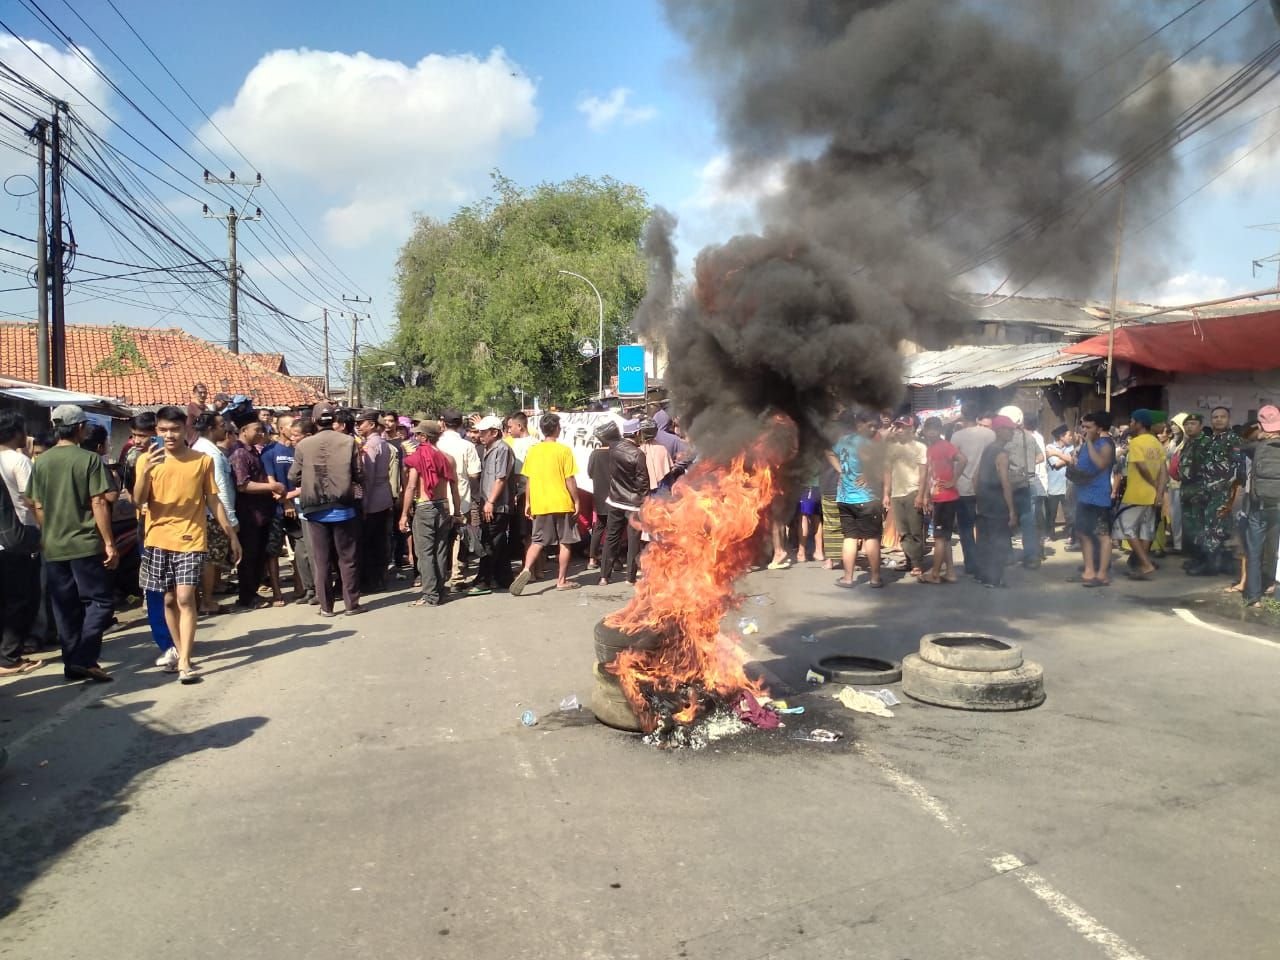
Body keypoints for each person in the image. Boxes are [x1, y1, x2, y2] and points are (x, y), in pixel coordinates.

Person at [134, 406, 240, 683]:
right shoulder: (146, 460)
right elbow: (137, 500)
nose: (169, 435)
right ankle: (181, 651)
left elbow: (213, 500)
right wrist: (145, 472)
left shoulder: (202, 461)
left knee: (184, 597)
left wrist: (231, 533)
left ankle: (184, 661)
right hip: (157, 538)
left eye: (175, 429)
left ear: (186, 430)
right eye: (163, 430)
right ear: (157, 430)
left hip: (192, 537)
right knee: (168, 599)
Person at [27, 405, 119, 682]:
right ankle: (84, 658)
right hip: (85, 542)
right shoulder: (89, 459)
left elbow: (36, 504)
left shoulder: (41, 461)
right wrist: (109, 543)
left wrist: (48, 533)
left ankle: (72, 664)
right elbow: (99, 501)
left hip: (54, 545)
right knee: (101, 601)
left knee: (65, 606)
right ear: (80, 428)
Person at [290, 403, 364, 616]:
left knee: (321, 560)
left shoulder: (304, 445)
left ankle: (326, 607)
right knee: (347, 559)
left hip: (315, 510)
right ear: (334, 420)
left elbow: (292, 476)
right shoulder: (348, 441)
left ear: (313, 421)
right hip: (344, 507)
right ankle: (352, 605)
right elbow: (359, 473)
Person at [511, 413, 581, 595]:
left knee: (537, 541)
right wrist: (577, 500)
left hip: (540, 503)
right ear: (557, 429)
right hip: (562, 502)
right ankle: (561, 580)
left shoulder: (534, 450)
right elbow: (570, 479)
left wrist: (528, 502)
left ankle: (526, 569)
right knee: (565, 542)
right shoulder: (564, 451)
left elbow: (529, 480)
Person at [399, 420, 460, 607]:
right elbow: (454, 487)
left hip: (425, 506)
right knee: (441, 551)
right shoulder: (448, 458)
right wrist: (456, 512)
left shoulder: (418, 457)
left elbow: (410, 486)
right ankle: (440, 591)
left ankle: (429, 595)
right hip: (443, 506)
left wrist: (403, 514)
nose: (415, 438)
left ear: (424, 437)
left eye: (418, 435)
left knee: (424, 553)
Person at [0, 411, 42, 676]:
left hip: (3, 540)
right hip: (21, 537)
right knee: (22, 599)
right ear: (16, 432)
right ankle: (10, 657)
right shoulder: (19, 460)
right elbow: (33, 499)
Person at [227, 414, 283, 610]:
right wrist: (271, 487)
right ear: (244, 431)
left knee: (258, 555)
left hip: (261, 513)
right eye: (256, 430)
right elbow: (243, 485)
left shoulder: (254, 451)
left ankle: (252, 593)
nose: (261, 433)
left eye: (262, 429)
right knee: (249, 557)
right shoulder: (240, 453)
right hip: (249, 513)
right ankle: (247, 596)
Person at [1180, 406, 1244, 576]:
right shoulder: (1210, 440)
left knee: (1216, 529)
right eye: (1215, 417)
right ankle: (1215, 562)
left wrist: (1234, 493)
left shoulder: (1233, 440)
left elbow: (1240, 469)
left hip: (1223, 492)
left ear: (1229, 419)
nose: (1218, 420)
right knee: (1208, 527)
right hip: (1207, 491)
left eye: (1222, 417)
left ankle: (1211, 566)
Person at [830, 411, 884, 589]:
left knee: (850, 538)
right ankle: (875, 578)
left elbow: (828, 452)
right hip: (865, 498)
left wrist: (841, 470)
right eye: (870, 425)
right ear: (859, 424)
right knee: (871, 538)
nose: (874, 429)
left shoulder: (844, 441)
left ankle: (848, 578)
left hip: (844, 498)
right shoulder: (867, 445)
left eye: (876, 426)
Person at [192, 414, 238, 615]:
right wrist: (231, 519)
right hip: (212, 515)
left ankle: (204, 598)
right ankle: (207, 601)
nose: (225, 429)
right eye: (221, 425)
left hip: (208, 514)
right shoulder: (209, 453)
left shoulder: (204, 449)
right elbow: (220, 490)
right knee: (210, 559)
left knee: (210, 559)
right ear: (211, 428)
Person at [1113, 409, 1166, 580]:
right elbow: (1164, 470)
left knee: (1126, 528)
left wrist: (1152, 483)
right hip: (1151, 496)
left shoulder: (1136, 443)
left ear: (1139, 423)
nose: (1130, 424)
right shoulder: (1156, 443)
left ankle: (1145, 563)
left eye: (1132, 421)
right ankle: (1141, 564)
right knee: (1146, 530)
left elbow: (1142, 467)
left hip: (1136, 494)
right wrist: (1158, 491)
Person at [1069, 410, 1116, 588]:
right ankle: (1089, 570)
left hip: (1098, 497)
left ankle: (1102, 574)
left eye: (1088, 427)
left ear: (1099, 428)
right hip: (1084, 495)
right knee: (1082, 532)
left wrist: (1087, 441)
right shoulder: (1088, 443)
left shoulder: (1105, 444)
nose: (1084, 429)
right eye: (1083, 426)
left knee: (1102, 535)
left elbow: (1100, 463)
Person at [468, 415, 515, 594]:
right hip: (489, 503)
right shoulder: (489, 448)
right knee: (498, 540)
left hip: (497, 505)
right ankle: (503, 578)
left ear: (494, 432)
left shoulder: (502, 449)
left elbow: (500, 478)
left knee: (490, 542)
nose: (480, 435)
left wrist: (490, 502)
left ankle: (484, 580)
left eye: (483, 432)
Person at [600, 419, 647, 586]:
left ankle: (604, 576)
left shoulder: (613, 450)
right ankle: (630, 577)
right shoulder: (638, 454)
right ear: (637, 433)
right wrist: (645, 500)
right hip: (633, 503)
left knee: (611, 537)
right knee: (634, 539)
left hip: (614, 499)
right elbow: (643, 482)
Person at [974, 415, 1019, 588]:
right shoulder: (1001, 454)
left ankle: (983, 575)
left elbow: (975, 477)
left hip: (984, 500)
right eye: (1009, 429)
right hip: (998, 502)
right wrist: (1011, 510)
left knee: (984, 539)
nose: (1012, 433)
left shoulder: (987, 450)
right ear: (999, 431)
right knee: (998, 541)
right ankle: (994, 578)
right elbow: (1005, 483)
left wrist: (979, 499)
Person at [438, 408, 481, 584]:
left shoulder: (436, 445)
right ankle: (457, 575)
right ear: (460, 424)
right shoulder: (467, 446)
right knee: (459, 537)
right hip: (461, 498)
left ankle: (440, 575)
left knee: (440, 538)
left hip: (438, 498)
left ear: (442, 422)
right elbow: (474, 474)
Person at [1242, 405, 1280, 607]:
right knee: (1274, 550)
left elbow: (1238, 447)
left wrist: (1259, 437)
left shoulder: (1254, 447)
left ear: (1260, 425)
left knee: (1254, 550)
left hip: (1259, 506)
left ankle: (1253, 597)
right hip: (1278, 506)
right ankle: (1270, 585)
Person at [949, 407, 994, 576]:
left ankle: (971, 563)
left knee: (966, 528)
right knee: (983, 526)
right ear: (977, 417)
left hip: (963, 487)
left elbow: (952, 461)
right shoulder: (989, 435)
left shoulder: (957, 436)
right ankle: (985, 561)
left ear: (962, 416)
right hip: (986, 486)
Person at [921, 416, 965, 584]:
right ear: (924, 431)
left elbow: (963, 459)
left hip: (946, 497)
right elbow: (929, 475)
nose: (931, 432)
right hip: (938, 496)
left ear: (940, 431)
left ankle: (935, 574)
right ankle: (951, 572)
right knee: (944, 538)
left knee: (939, 538)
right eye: (929, 428)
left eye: (935, 429)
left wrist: (954, 480)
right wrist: (926, 495)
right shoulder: (930, 448)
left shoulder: (945, 446)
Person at [882, 415, 927, 577]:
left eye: (903, 427)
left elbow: (924, 474)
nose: (899, 430)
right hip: (896, 493)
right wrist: (886, 494)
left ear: (911, 429)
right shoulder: (891, 448)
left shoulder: (920, 447)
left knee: (915, 531)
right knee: (902, 531)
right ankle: (909, 561)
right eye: (898, 426)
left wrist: (921, 495)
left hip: (913, 492)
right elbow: (887, 472)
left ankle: (917, 564)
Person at [999, 405, 1043, 569]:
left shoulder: (1005, 439)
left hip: (1009, 484)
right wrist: (1028, 465)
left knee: (1006, 519)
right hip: (1028, 481)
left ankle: (1008, 556)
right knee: (1028, 520)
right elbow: (1040, 456)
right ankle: (1031, 556)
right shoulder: (1029, 437)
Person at [356, 410, 394, 593]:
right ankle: (380, 577)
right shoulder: (383, 443)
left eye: (361, 423)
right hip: (383, 497)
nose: (358, 426)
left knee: (370, 543)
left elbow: (368, 477)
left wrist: (364, 504)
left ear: (371, 424)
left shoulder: (371, 445)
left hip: (373, 500)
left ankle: (372, 580)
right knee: (380, 541)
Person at [587, 419, 621, 569]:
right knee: (614, 530)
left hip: (599, 496)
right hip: (616, 496)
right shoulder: (617, 453)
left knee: (599, 527)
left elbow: (590, 473)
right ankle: (613, 560)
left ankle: (592, 559)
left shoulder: (595, 454)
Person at [1044, 425, 1072, 542]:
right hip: (1054, 486)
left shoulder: (1070, 447)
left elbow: (1072, 460)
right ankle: (1050, 535)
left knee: (1069, 513)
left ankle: (1070, 535)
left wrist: (1056, 454)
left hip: (1067, 486)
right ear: (1061, 437)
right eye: (1069, 435)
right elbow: (1056, 464)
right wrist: (1066, 458)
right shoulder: (1049, 447)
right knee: (1051, 513)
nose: (1071, 437)